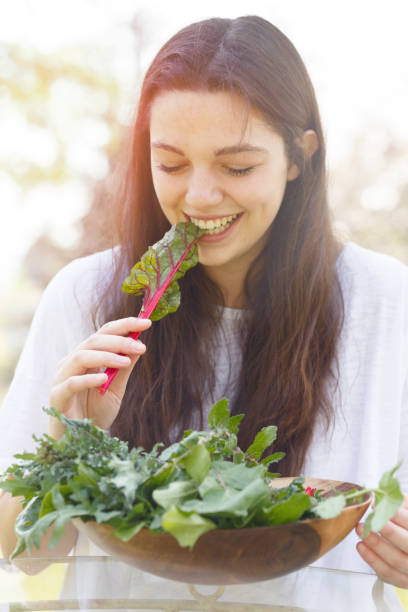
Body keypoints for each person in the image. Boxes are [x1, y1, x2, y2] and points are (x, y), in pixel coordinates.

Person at [0, 15, 407, 591]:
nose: (199, 197)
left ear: (299, 156)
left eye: (236, 166)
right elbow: (26, 552)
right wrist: (71, 437)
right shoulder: (85, 295)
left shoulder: (387, 302)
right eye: (170, 164)